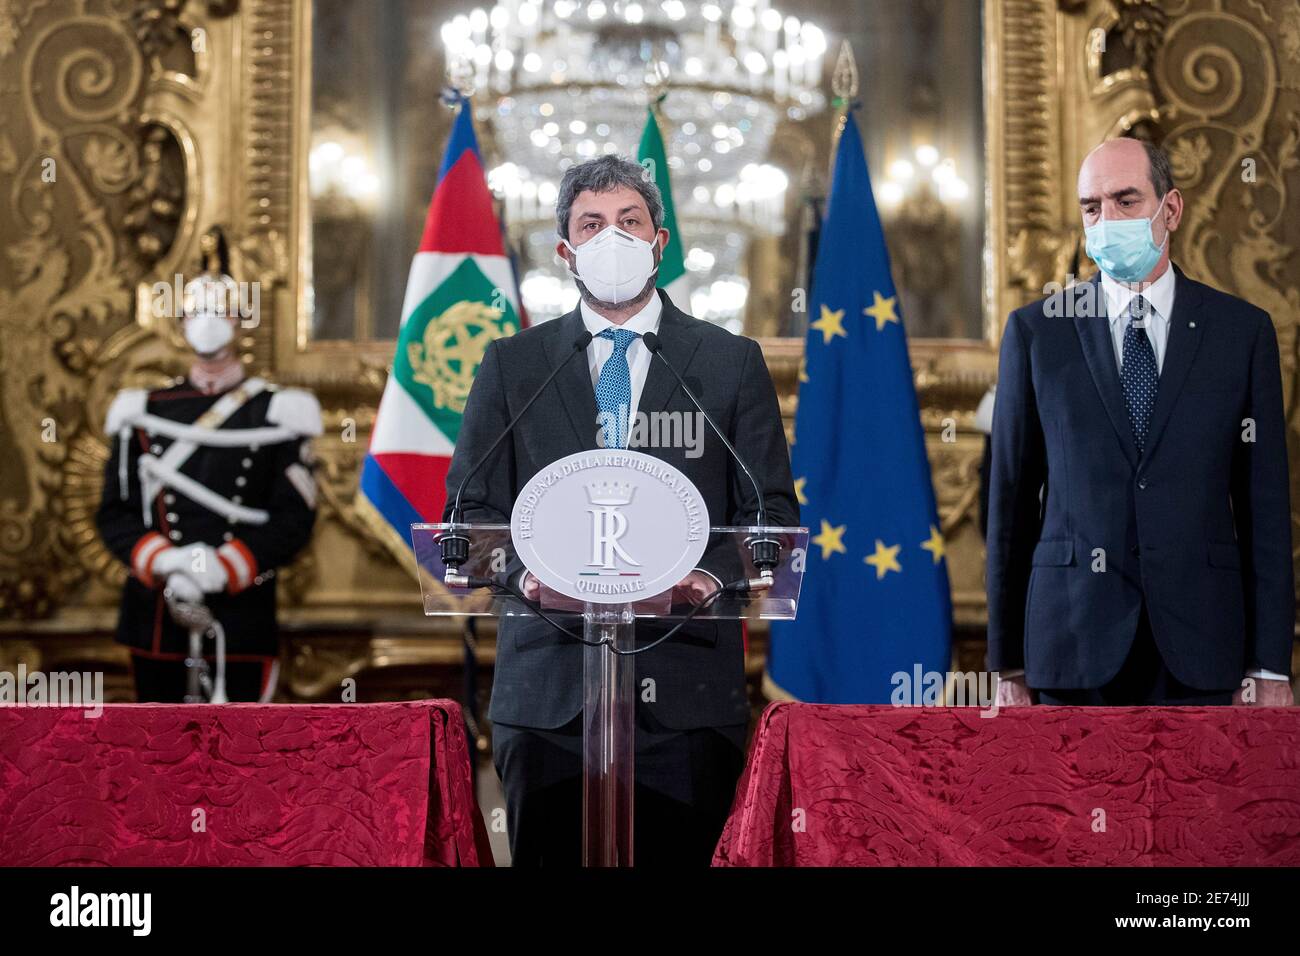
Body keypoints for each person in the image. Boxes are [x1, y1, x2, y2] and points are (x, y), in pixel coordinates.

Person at [445, 154, 799, 864]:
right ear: (566, 251)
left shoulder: (728, 362)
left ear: (660, 243)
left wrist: (700, 580)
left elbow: (773, 524)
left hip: (688, 700)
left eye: (629, 221)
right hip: (549, 699)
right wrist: (530, 576)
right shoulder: (513, 364)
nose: (613, 237)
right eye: (593, 224)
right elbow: (468, 519)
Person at [987, 138, 1294, 707]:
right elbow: (1009, 506)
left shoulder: (1240, 334)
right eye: (1092, 207)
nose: (1107, 220)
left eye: (1126, 201)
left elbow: (1264, 510)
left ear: (1169, 209)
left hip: (1203, 649)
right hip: (1070, 647)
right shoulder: (1038, 334)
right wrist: (1006, 663)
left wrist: (1271, 665)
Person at [96, 229, 321, 702]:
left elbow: (294, 519)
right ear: (179, 323)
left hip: (242, 611)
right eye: (196, 312)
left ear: (241, 320)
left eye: (219, 311)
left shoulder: (278, 411)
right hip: (157, 614)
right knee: (158, 763)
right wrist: (167, 561)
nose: (207, 322)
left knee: (241, 764)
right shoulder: (141, 409)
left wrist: (229, 564)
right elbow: (114, 514)